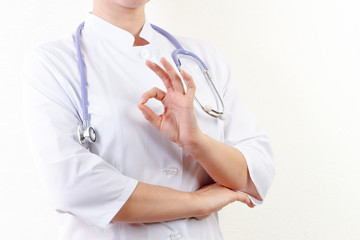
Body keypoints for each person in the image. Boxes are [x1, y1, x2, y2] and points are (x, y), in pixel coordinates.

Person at [22, 0, 275, 239]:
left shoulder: (201, 57)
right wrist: (196, 203)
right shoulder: (53, 63)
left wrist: (196, 142)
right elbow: (72, 187)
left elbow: (256, 173)